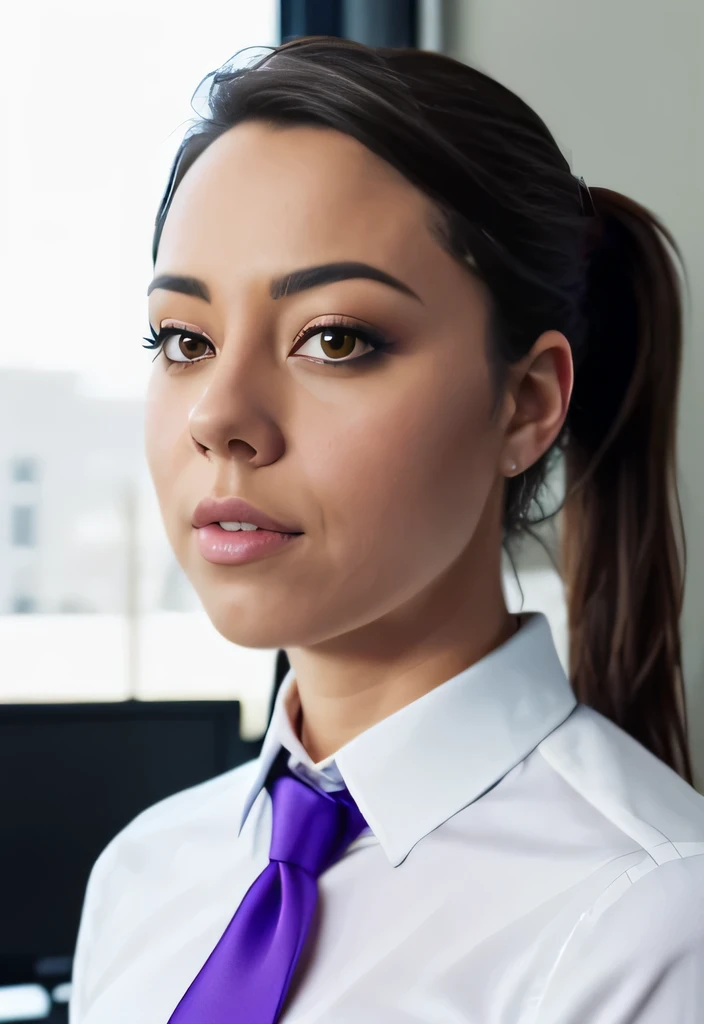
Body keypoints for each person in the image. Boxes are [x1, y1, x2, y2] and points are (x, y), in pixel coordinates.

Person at [69, 36, 704, 1024]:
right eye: (183, 340)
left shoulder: (650, 924)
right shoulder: (143, 874)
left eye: (334, 339)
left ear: (525, 403)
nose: (218, 415)